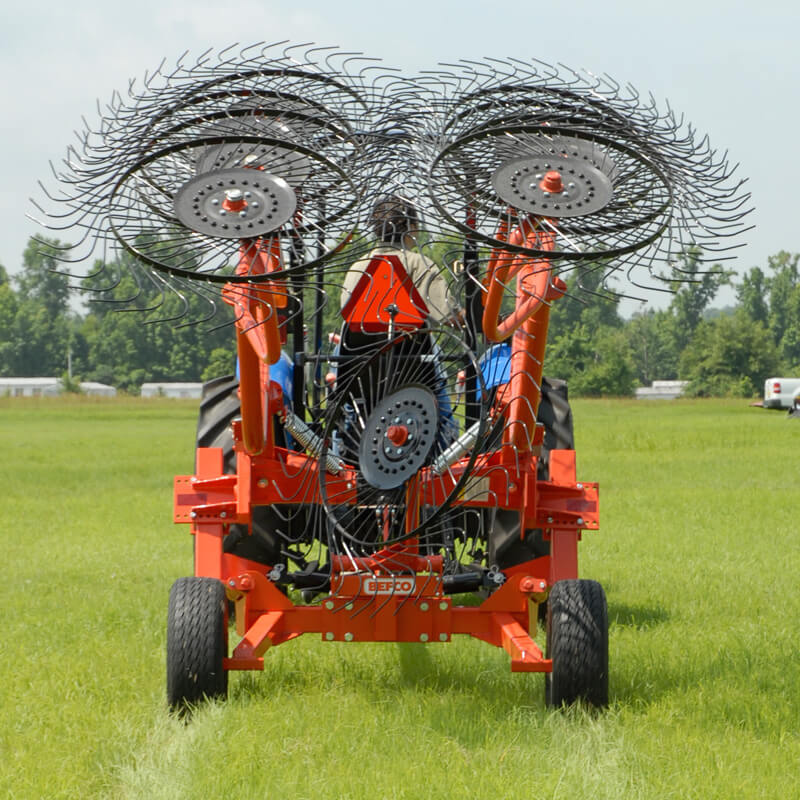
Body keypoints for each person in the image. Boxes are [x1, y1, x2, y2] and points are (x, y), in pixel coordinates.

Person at [340, 196, 461, 324]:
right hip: (408, 343)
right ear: (412, 227)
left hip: (357, 344)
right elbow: (449, 316)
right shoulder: (418, 264)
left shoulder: (357, 267)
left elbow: (349, 317)